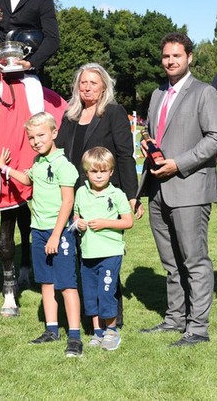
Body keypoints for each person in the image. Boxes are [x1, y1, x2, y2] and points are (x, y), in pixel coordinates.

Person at [137, 32, 217, 347]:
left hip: (190, 189)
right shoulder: (157, 94)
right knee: (171, 262)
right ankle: (176, 318)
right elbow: (152, 131)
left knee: (194, 260)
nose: (171, 61)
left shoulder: (205, 93)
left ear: (189, 57)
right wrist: (146, 141)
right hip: (158, 190)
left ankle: (198, 328)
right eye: (166, 56)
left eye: (177, 55)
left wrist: (179, 163)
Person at [55, 63, 142, 331]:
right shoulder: (69, 115)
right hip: (76, 196)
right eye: (83, 82)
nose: (87, 87)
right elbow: (58, 153)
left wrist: (131, 195)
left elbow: (126, 155)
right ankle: (89, 317)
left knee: (106, 256)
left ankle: (112, 319)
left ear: (104, 85)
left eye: (93, 83)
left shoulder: (113, 113)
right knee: (82, 258)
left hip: (105, 195)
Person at [0, 112, 82, 358]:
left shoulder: (64, 166)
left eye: (41, 135)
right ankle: (51, 330)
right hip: (38, 231)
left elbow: (68, 202)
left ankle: (74, 336)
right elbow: (27, 179)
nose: (36, 141)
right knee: (45, 283)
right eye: (31, 137)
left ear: (54, 133)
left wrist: (56, 235)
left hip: (60, 232)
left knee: (66, 284)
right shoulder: (38, 162)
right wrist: (6, 169)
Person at [73, 147, 134, 351]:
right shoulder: (81, 192)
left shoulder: (117, 194)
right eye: (93, 171)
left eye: (103, 171)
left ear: (111, 172)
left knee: (106, 292)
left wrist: (105, 223)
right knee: (90, 293)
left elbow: (127, 222)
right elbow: (75, 215)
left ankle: (112, 331)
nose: (98, 175)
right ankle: (97, 332)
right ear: (86, 173)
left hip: (110, 253)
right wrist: (78, 223)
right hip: (88, 253)